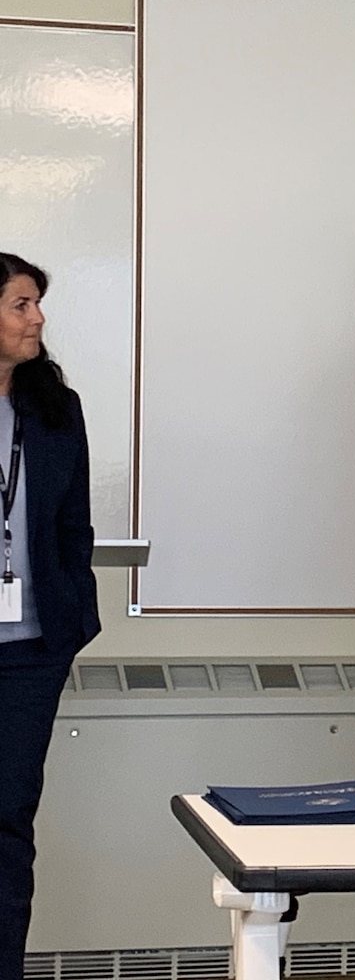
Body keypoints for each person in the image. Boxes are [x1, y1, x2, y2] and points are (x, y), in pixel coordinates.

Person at [0, 253, 98, 980]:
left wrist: (71, 621)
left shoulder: (56, 409)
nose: (37, 319)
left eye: (36, 304)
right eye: (21, 305)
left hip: (30, 653)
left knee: (8, 825)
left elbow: (75, 526)